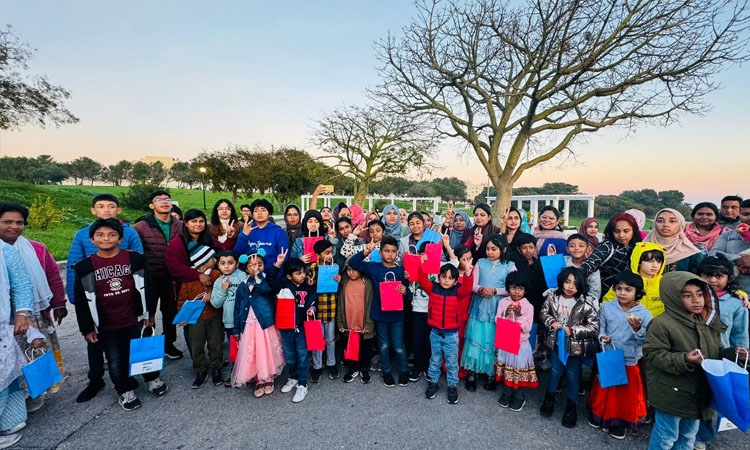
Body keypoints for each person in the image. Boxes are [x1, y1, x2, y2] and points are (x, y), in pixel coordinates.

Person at [73, 219, 168, 411]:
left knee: (145, 351)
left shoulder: (135, 259)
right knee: (116, 360)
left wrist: (149, 312)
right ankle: (124, 390)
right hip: (107, 324)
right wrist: (87, 328)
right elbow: (82, 302)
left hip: (136, 318)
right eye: (100, 235)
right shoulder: (85, 267)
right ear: (92, 239)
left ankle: (153, 379)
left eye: (112, 235)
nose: (106, 238)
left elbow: (148, 287)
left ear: (120, 238)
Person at [643, 272, 743, 450]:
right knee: (666, 435)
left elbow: (716, 351)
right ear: (673, 297)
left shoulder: (706, 321)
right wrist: (684, 359)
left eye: (700, 294)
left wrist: (733, 354)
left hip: (698, 392)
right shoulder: (662, 324)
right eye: (687, 295)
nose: (696, 300)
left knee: (688, 436)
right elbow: (653, 354)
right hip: (671, 393)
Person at [69, 193, 146, 403]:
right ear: (93, 210)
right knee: (96, 345)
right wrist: (76, 300)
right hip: (95, 302)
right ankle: (95, 380)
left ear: (118, 210)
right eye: (101, 206)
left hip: (126, 303)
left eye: (111, 206)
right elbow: (75, 267)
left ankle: (128, 378)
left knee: (127, 345)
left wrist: (144, 307)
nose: (106, 210)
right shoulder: (83, 235)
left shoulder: (129, 233)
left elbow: (140, 266)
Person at [0, 202, 67, 406]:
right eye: (7, 222)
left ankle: (36, 394)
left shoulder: (37, 249)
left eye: (19, 222)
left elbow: (53, 276)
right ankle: (14, 401)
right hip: (5, 320)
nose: (14, 227)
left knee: (35, 353)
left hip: (33, 315)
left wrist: (59, 303)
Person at [588, 271, 652, 440]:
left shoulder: (645, 314)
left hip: (629, 359)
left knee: (624, 396)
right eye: (618, 288)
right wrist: (603, 337)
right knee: (604, 389)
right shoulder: (607, 307)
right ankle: (599, 416)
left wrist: (637, 329)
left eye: (628, 289)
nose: (622, 293)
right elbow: (601, 327)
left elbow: (646, 340)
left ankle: (620, 423)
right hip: (610, 356)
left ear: (637, 292)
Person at [695, 255, 750, 447]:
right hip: (694, 354)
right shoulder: (691, 298)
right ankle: (686, 429)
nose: (712, 280)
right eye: (707, 275)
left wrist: (741, 354)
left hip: (720, 357)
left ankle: (702, 436)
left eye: (719, 276)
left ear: (729, 278)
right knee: (694, 393)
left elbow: (739, 333)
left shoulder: (736, 303)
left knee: (712, 395)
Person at [166, 209, 223, 389]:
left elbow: (222, 254)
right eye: (193, 221)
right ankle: (200, 370)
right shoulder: (177, 244)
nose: (198, 224)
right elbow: (174, 268)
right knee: (195, 341)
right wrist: (197, 275)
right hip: (191, 295)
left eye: (201, 221)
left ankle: (216, 367)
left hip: (213, 310)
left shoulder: (209, 240)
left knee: (216, 341)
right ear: (186, 223)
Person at [539, 267, 598, 428]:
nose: (570, 286)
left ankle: (571, 406)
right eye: (567, 281)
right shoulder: (553, 296)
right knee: (555, 371)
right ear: (561, 281)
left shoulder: (586, 302)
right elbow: (543, 312)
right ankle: (549, 398)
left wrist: (572, 331)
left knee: (572, 374)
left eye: (575, 284)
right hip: (557, 344)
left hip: (575, 348)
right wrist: (551, 322)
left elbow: (594, 327)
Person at [349, 236, 410, 387]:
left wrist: (405, 291)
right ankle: (386, 372)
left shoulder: (401, 271)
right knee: (383, 345)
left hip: (397, 315)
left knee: (399, 346)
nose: (390, 254)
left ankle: (404, 370)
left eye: (393, 251)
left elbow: (409, 293)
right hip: (380, 314)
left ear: (397, 253)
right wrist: (365, 252)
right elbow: (353, 263)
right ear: (380, 252)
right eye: (387, 251)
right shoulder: (374, 267)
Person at [132, 190, 183, 362]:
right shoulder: (141, 227)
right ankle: (146, 353)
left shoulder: (180, 225)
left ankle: (169, 344)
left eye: (167, 199)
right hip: (150, 278)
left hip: (173, 278)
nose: (164, 202)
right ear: (151, 205)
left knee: (170, 313)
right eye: (159, 200)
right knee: (148, 315)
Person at [462, 234, 515, 391]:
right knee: (476, 337)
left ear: (503, 250)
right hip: (479, 306)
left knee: (494, 340)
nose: (490, 252)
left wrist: (495, 291)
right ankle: (472, 372)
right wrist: (480, 289)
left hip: (499, 308)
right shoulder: (480, 262)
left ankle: (492, 373)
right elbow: (472, 284)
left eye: (494, 249)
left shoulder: (510, 266)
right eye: (487, 249)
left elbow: (513, 288)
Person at [420, 259, 474, 404]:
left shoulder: (458, 291)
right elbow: (422, 280)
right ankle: (433, 383)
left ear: (456, 281)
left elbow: (467, 289)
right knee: (435, 360)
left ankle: (452, 386)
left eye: (450, 278)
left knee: (452, 362)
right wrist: (422, 266)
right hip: (435, 333)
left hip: (451, 334)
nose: (446, 280)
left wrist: (468, 274)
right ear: (438, 277)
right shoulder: (433, 288)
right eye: (443, 276)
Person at [266, 253, 317, 403]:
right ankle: (293, 377)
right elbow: (270, 278)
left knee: (302, 355)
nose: (303, 276)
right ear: (289, 276)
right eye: (298, 273)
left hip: (302, 328)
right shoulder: (282, 285)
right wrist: (278, 264)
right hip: (286, 327)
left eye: (303, 272)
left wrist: (312, 309)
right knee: (289, 355)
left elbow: (314, 300)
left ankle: (302, 383)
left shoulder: (309, 287)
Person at [231, 253, 284, 397]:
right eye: (252, 265)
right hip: (249, 324)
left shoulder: (265, 280)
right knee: (254, 350)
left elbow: (266, 290)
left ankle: (269, 376)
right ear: (246, 268)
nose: (256, 268)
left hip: (265, 323)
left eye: (259, 264)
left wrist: (258, 276)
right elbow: (237, 308)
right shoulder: (242, 286)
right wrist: (236, 329)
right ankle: (259, 378)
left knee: (266, 350)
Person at [0, 238, 35, 447]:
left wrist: (22, 312)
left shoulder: (4, 250)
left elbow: (22, 283)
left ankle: (6, 421)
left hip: (1, 324)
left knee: (5, 376)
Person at [495, 271, 537, 412]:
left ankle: (519, 396)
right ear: (508, 288)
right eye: (513, 288)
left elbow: (527, 328)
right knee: (507, 369)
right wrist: (506, 313)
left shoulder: (528, 306)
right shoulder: (503, 302)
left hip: (520, 345)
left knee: (518, 371)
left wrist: (519, 315)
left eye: (520, 288)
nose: (516, 292)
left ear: (525, 290)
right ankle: (507, 393)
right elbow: (497, 321)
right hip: (506, 342)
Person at [581, 212, 642, 298]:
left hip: (631, 297)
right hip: (607, 297)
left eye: (626, 231)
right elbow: (591, 263)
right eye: (617, 231)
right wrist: (576, 275)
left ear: (634, 230)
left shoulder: (638, 247)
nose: (621, 235)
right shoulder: (608, 246)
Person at [336, 257, 375, 384]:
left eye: (355, 269)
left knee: (365, 347)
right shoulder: (344, 283)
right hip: (348, 323)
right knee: (350, 347)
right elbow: (340, 304)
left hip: (363, 323)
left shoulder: (367, 282)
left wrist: (369, 324)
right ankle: (353, 368)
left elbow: (370, 304)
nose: (351, 272)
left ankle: (364, 368)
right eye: (348, 270)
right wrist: (340, 322)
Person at [602, 243, 666, 318]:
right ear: (638, 261)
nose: (655, 265)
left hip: (657, 324)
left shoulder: (665, 282)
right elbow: (607, 305)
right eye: (649, 261)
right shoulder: (626, 280)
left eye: (658, 261)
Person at [209, 251, 244, 385]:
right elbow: (216, 303)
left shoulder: (243, 276)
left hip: (244, 320)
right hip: (229, 322)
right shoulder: (219, 282)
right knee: (234, 349)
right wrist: (223, 289)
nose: (227, 266)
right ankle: (235, 372)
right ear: (218, 265)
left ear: (237, 264)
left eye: (230, 263)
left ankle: (248, 372)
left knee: (247, 347)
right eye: (223, 263)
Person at [308, 240, 340, 383]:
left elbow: (338, 289)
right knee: (317, 339)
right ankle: (317, 365)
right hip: (317, 309)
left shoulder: (334, 267)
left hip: (331, 308)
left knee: (331, 338)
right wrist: (309, 283)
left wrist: (339, 280)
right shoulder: (313, 268)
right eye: (326, 253)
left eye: (331, 252)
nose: (329, 255)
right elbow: (308, 287)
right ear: (317, 255)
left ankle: (332, 363)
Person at [644, 209, 703, 273]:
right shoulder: (642, 248)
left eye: (672, 221)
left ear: (680, 225)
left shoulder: (692, 254)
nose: (665, 225)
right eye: (660, 221)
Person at [234, 199, 288, 268]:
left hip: (272, 271)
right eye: (256, 211)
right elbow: (237, 253)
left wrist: (275, 270)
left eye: (263, 210)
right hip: (249, 271)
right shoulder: (247, 229)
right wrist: (244, 235)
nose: (259, 213)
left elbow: (284, 256)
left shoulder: (278, 231)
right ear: (252, 214)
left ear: (270, 214)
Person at [710, 199, 750, 293]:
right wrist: (737, 259)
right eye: (746, 214)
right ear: (739, 214)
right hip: (733, 292)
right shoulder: (727, 235)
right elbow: (713, 254)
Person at [564, 234, 602, 306]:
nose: (576, 248)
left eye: (581, 246)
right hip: (562, 300)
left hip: (583, 303)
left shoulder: (592, 266)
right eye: (572, 246)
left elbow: (595, 292)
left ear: (587, 249)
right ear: (567, 249)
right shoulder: (562, 261)